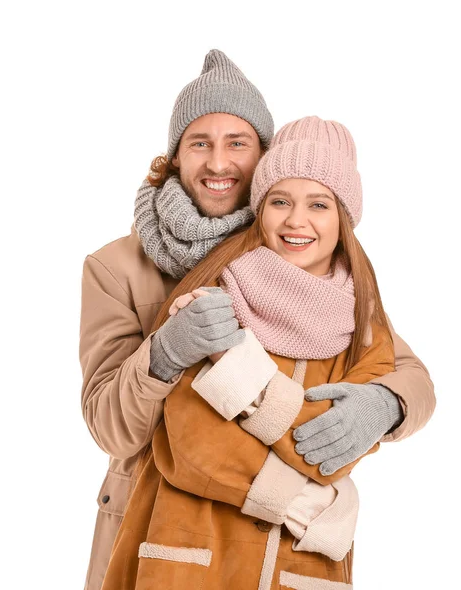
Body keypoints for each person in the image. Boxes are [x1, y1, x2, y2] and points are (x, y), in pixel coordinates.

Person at [79, 51, 435, 590]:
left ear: (264, 157)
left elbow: (402, 368)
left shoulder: (304, 257)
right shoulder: (115, 269)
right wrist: (164, 353)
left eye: (237, 143)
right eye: (199, 142)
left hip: (283, 553)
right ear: (174, 156)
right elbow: (111, 426)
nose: (218, 163)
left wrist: (386, 405)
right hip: (162, 525)